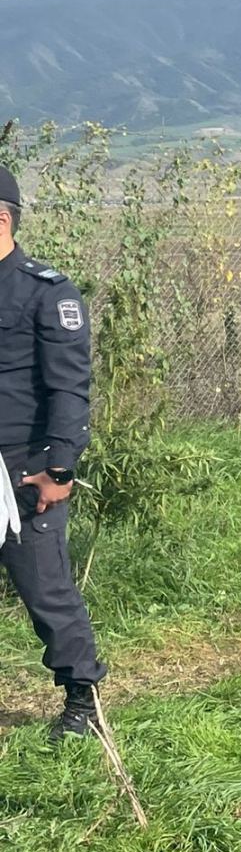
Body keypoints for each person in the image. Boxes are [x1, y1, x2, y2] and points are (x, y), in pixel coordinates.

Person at [0, 163, 106, 741]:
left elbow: (69, 387)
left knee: (45, 589)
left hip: (22, 467)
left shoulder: (46, 292)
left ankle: (82, 700)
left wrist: (59, 467)